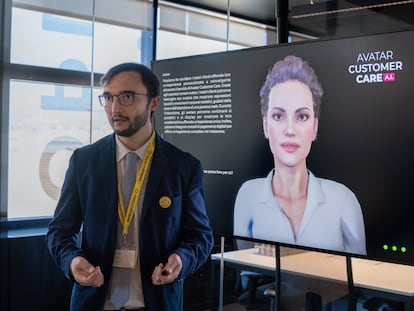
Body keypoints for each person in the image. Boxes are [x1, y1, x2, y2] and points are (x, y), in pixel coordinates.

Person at [46, 62, 214, 311]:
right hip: (94, 302)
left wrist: (181, 260)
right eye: (108, 97)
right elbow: (59, 231)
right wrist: (73, 261)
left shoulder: (183, 167)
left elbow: (201, 236)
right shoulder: (84, 161)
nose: (115, 108)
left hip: (157, 302)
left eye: (126, 97)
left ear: (154, 102)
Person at [233, 55, 366, 255]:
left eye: (301, 116)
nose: (289, 129)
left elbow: (360, 276)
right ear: (265, 126)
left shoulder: (343, 201)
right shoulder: (248, 196)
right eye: (278, 116)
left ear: (314, 127)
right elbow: (246, 275)